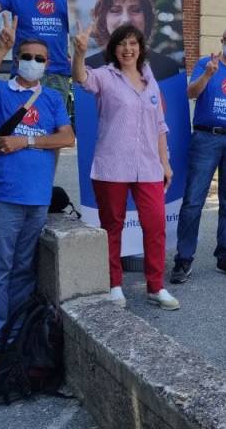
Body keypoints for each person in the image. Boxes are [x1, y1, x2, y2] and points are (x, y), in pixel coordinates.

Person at [0, 14, 75, 356]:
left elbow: (67, 137)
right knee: (0, 268)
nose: (33, 62)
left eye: (39, 59)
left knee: (23, 268)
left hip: (38, 197)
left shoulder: (52, 99)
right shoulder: (1, 90)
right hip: (3, 195)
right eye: (27, 56)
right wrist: (0, 49)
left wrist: (25, 142)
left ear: (48, 64)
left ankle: (15, 334)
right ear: (17, 60)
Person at [72, 22, 179, 310]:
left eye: (133, 43)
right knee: (113, 227)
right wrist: (79, 53)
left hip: (148, 166)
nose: (128, 49)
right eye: (122, 44)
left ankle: (155, 287)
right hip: (112, 165)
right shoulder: (105, 77)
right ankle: (115, 284)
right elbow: (81, 78)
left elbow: (159, 125)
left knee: (155, 225)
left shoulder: (149, 79)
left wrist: (165, 163)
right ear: (113, 48)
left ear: (141, 48)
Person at [171, 27, 226, 282]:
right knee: (193, 201)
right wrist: (208, 75)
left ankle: (225, 256)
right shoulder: (206, 64)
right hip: (206, 138)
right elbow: (191, 93)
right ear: (221, 42)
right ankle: (184, 259)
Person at [83, 0, 181, 81]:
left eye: (135, 10)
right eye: (115, 10)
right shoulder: (86, 69)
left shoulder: (167, 68)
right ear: (103, 19)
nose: (126, 19)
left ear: (146, 18)